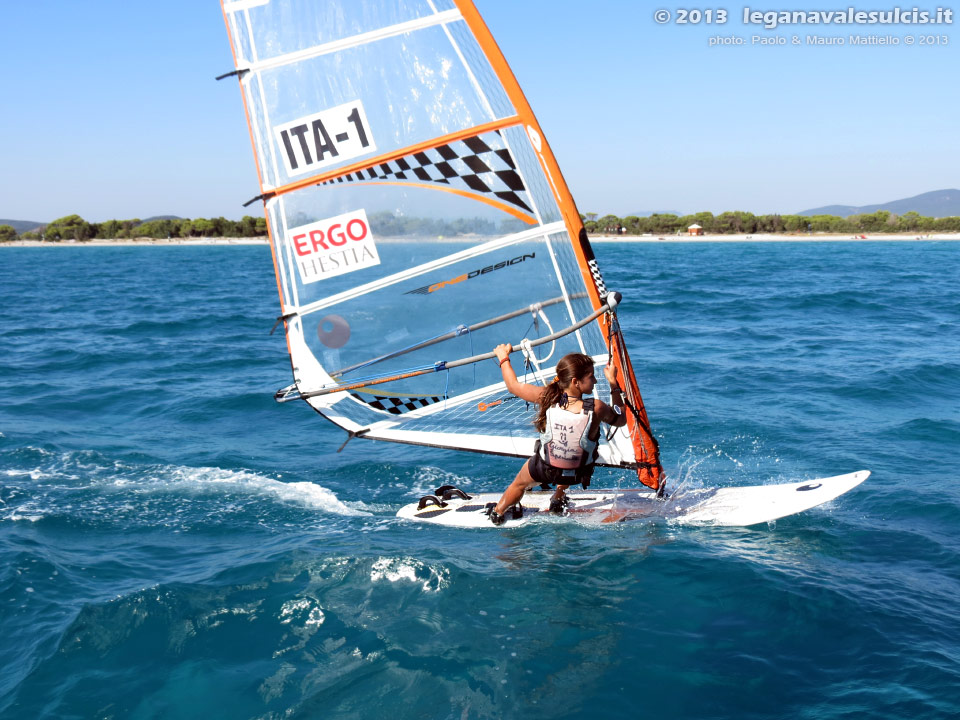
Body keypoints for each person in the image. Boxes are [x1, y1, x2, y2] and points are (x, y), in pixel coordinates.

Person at [488, 343, 627, 525]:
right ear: (575, 382)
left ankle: (498, 513)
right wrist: (613, 384)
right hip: (579, 473)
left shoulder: (548, 397)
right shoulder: (596, 407)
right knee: (574, 449)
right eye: (591, 377)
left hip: (545, 470)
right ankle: (558, 496)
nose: (595, 381)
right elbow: (621, 418)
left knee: (520, 484)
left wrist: (503, 357)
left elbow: (513, 386)